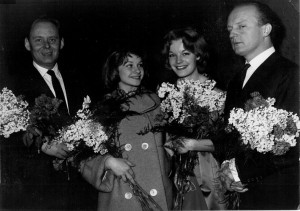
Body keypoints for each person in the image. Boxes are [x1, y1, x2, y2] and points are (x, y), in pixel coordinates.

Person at [6, 17, 97, 210]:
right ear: (27, 43)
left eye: (52, 40)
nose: (47, 46)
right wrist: (43, 145)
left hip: (81, 191)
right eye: (38, 40)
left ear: (61, 43)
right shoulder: (11, 85)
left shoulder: (81, 80)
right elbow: (5, 136)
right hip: (36, 193)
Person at [222, 1, 299, 209]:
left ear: (266, 29)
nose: (232, 34)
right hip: (241, 195)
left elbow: (293, 145)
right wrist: (226, 167)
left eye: (241, 26)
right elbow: (228, 133)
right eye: (230, 29)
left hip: (276, 193)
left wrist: (239, 171)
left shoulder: (290, 74)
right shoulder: (236, 80)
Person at [79, 48, 173, 211]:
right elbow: (81, 157)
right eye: (129, 65)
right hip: (122, 192)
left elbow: (170, 141)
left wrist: (168, 155)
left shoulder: (157, 102)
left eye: (140, 65)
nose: (137, 71)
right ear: (116, 70)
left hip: (159, 188)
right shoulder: (102, 109)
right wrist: (108, 162)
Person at [161, 27, 226, 210]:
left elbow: (228, 143)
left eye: (185, 53)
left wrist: (192, 144)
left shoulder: (218, 96)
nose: (178, 61)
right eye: (172, 55)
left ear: (198, 55)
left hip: (210, 178)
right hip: (177, 179)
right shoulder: (168, 94)